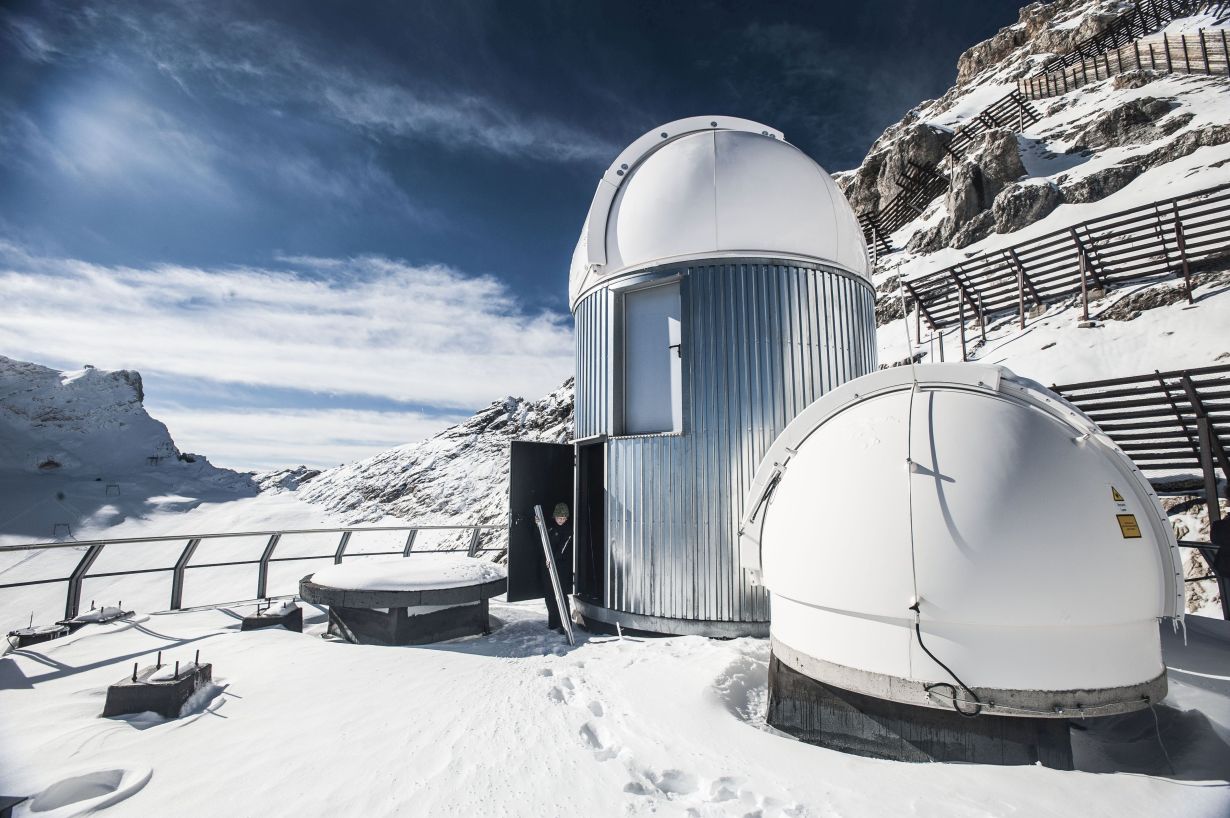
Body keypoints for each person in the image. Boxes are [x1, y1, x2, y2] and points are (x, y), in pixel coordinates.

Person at [541, 502, 573, 632]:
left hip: (560, 566)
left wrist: (553, 559)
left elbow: (563, 548)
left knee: (561, 594)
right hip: (548, 565)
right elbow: (540, 539)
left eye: (564, 518)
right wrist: (538, 524)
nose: (561, 520)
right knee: (549, 594)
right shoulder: (549, 528)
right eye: (559, 518)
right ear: (555, 517)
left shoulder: (568, 530)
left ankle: (564, 624)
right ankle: (553, 621)